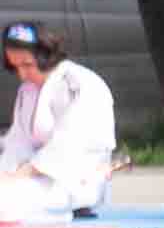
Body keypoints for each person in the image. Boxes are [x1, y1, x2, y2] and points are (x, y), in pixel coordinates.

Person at [2, 17, 118, 215]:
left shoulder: (79, 83)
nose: (22, 75)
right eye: (15, 67)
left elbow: (67, 145)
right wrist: (7, 171)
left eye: (27, 65)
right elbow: (18, 141)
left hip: (76, 180)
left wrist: (18, 175)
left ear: (45, 56)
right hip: (35, 177)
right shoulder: (28, 90)